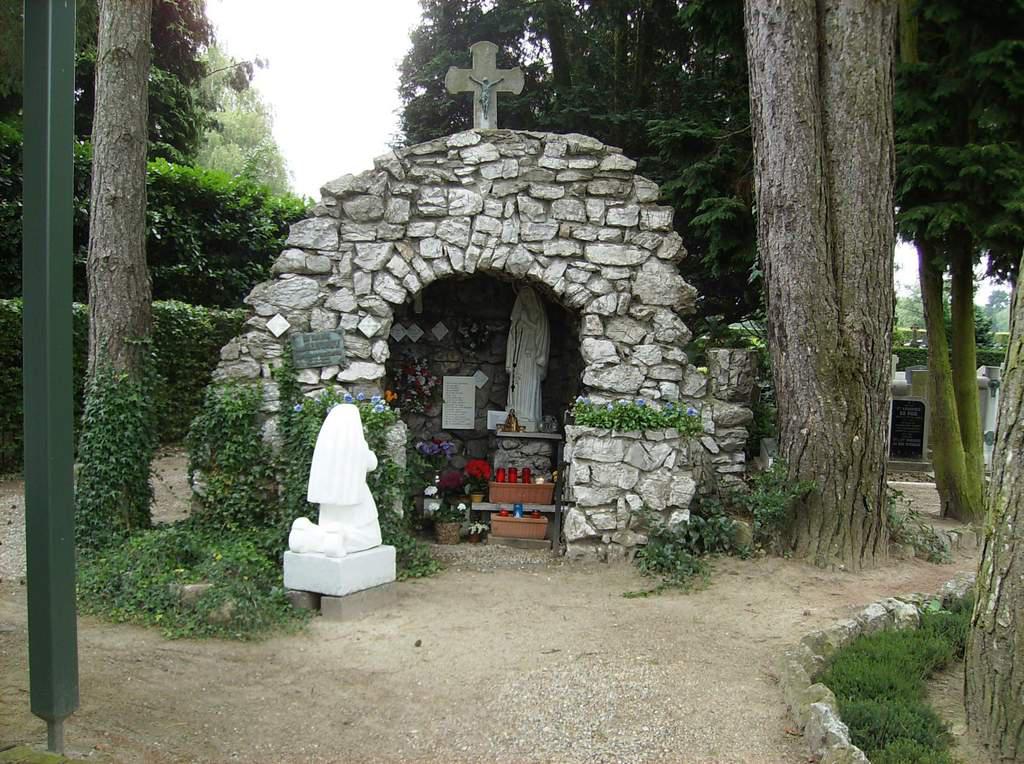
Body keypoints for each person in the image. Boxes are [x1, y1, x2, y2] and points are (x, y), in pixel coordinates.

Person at [288, 403, 382, 557]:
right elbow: (372, 463)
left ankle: (307, 534)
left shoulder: (325, 447)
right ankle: (340, 537)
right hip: (356, 498)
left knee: (327, 527)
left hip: (329, 501)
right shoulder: (358, 446)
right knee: (371, 536)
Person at [505, 286, 550, 431]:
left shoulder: (539, 316)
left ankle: (530, 416)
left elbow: (542, 335)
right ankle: (514, 416)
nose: (525, 300)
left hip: (531, 358)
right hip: (518, 358)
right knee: (517, 385)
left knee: (529, 384)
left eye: (528, 297)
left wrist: (527, 321)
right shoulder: (518, 317)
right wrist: (509, 361)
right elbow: (512, 338)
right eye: (523, 297)